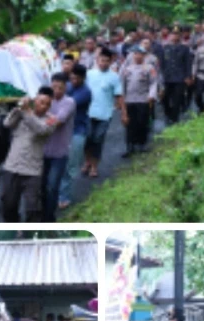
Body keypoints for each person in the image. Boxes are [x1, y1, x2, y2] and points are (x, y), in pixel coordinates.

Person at [1, 87, 58, 222]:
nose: (43, 106)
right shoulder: (22, 113)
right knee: (8, 204)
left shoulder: (51, 120)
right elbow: (7, 124)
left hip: (32, 171)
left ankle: (30, 232)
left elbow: (41, 130)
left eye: (47, 104)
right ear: (35, 100)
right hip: (12, 166)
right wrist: (18, 108)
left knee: (33, 209)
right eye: (41, 102)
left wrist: (27, 112)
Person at [84, 47, 124, 178]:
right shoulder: (89, 74)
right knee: (87, 138)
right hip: (88, 113)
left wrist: (124, 113)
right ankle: (87, 161)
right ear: (97, 60)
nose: (104, 63)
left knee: (98, 139)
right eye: (102, 60)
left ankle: (94, 166)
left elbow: (119, 95)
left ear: (111, 62)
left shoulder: (114, 77)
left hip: (105, 114)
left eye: (107, 61)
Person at [42, 73, 76, 222]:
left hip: (59, 152)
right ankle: (41, 215)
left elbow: (59, 120)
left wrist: (41, 110)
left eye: (60, 88)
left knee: (52, 186)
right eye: (54, 87)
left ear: (66, 88)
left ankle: (49, 218)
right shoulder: (46, 100)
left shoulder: (69, 102)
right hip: (42, 151)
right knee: (41, 185)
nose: (56, 91)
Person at [58, 64, 92, 210]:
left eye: (77, 78)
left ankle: (64, 195)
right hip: (63, 131)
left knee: (70, 165)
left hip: (78, 131)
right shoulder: (68, 86)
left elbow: (67, 105)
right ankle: (58, 193)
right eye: (72, 78)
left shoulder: (85, 92)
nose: (74, 81)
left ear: (83, 78)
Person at [120, 46, 157, 158]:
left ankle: (142, 144)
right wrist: (121, 100)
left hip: (143, 99)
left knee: (142, 122)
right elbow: (122, 85)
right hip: (129, 100)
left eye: (140, 54)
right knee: (130, 124)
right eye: (135, 54)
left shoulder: (149, 68)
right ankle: (130, 146)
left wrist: (151, 95)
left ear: (144, 55)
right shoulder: (127, 69)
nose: (137, 56)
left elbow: (153, 83)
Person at [161, 27, 192, 124]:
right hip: (167, 77)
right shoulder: (165, 48)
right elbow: (162, 63)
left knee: (177, 99)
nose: (174, 36)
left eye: (177, 34)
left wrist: (188, 76)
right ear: (170, 36)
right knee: (164, 98)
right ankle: (168, 113)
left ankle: (175, 118)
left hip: (180, 77)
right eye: (173, 34)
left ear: (180, 36)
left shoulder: (185, 48)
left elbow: (188, 63)